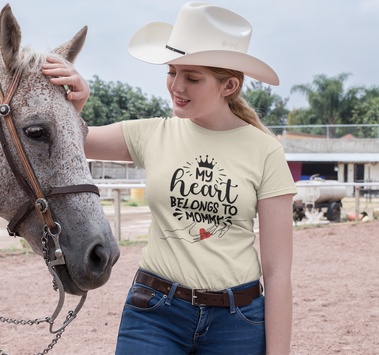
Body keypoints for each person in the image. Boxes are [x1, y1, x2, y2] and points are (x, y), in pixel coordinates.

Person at [42, 2, 297, 354]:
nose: (176, 86)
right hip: (155, 313)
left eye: (192, 77)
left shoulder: (265, 151)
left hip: (238, 322)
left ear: (229, 85)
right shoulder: (152, 134)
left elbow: (279, 272)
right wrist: (77, 102)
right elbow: (71, 141)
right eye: (171, 71)